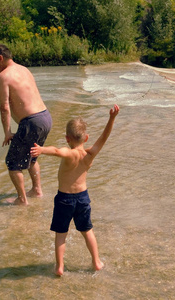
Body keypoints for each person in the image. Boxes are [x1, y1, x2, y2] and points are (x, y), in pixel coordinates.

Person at [30, 104, 120, 276]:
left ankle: (59, 267)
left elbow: (57, 151)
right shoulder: (90, 155)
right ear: (86, 138)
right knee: (87, 231)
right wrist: (111, 118)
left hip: (64, 199)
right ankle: (96, 262)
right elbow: (104, 137)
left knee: (61, 234)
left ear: (67, 138)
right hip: (82, 199)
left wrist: (41, 150)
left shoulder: (69, 153)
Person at [0, 44, 52, 206]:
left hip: (32, 122)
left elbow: (4, 107)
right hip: (45, 117)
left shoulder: (3, 76)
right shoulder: (24, 69)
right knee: (31, 158)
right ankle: (36, 190)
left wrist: (7, 132)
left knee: (13, 163)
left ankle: (22, 199)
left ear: (0, 58)